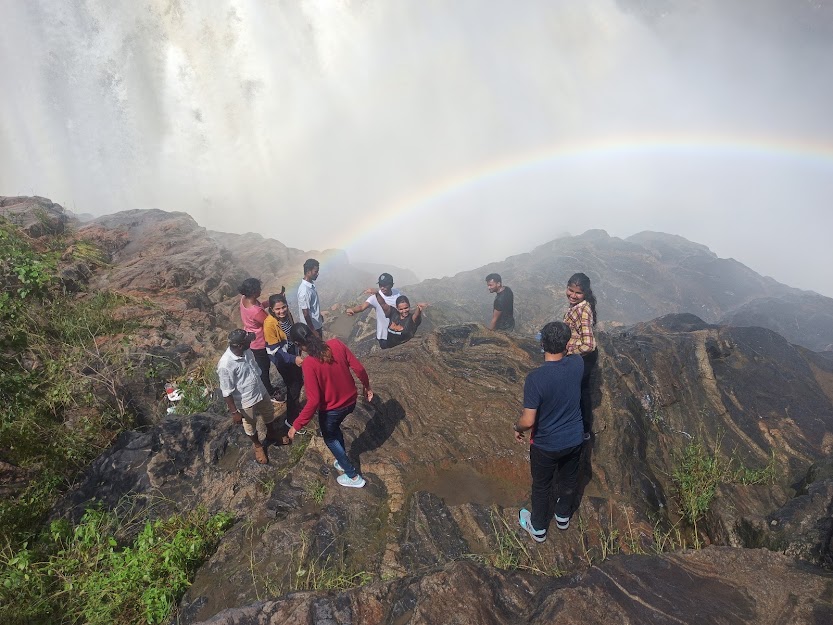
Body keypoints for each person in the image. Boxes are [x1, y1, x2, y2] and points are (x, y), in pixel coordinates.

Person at [514, 321, 584, 543]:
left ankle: (538, 527)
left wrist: (517, 428)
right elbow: (577, 350)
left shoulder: (536, 378)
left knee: (542, 486)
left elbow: (528, 420)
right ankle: (563, 515)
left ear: (542, 344)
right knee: (569, 479)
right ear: (567, 344)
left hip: (546, 445)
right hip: (574, 439)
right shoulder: (578, 364)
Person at [287, 323, 373, 488]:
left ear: (298, 345)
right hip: (351, 401)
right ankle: (341, 460)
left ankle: (353, 477)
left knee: (330, 438)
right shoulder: (336, 344)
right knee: (335, 429)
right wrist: (367, 386)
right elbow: (359, 369)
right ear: (312, 333)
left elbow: (313, 401)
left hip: (332, 410)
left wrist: (296, 425)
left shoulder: (309, 364)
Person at [217, 329, 288, 465]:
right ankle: (257, 445)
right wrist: (234, 412)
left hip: (259, 389)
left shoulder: (246, 350)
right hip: (245, 400)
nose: (251, 341)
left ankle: (271, 433)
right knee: (250, 424)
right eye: (247, 340)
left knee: (268, 412)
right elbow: (226, 392)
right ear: (239, 345)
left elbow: (253, 361)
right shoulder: (226, 365)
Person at [563, 272, 598, 440]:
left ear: (585, 293)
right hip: (579, 356)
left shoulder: (583, 310)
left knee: (580, 392)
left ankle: (584, 430)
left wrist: (568, 350)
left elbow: (589, 345)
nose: (573, 295)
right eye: (570, 290)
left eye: (578, 293)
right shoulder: (578, 306)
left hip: (582, 358)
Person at [264, 291, 305, 429]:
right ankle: (291, 420)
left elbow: (292, 334)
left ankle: (296, 405)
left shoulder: (288, 315)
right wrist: (293, 359)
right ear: (271, 309)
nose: (282, 311)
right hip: (282, 358)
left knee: (299, 380)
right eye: (277, 309)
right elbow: (275, 351)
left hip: (292, 352)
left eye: (284, 307)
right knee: (293, 386)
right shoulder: (269, 324)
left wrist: (298, 349)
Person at [238, 277, 276, 398]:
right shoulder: (256, 311)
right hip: (260, 342)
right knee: (264, 368)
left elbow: (260, 306)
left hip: (252, 338)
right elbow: (268, 323)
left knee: (261, 366)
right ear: (254, 292)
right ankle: (269, 392)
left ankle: (267, 388)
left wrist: (269, 302)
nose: (260, 290)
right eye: (259, 288)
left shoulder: (244, 299)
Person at [346, 272, 401, 348]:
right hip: (384, 336)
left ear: (391, 285)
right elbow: (362, 307)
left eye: (385, 285)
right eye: (380, 285)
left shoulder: (397, 293)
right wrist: (352, 310)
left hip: (397, 331)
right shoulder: (375, 297)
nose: (382, 287)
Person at [297, 258, 323, 338]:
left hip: (316, 324)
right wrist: (313, 331)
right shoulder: (304, 290)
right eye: (315, 271)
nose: (317, 274)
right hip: (311, 329)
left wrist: (319, 316)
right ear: (308, 271)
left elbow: (312, 306)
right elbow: (305, 313)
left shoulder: (310, 285)